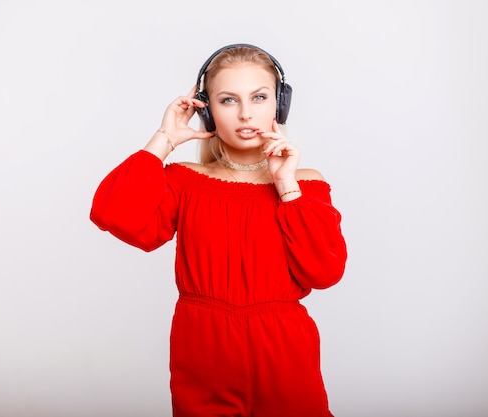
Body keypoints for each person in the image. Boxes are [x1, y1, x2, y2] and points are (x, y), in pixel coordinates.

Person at [90, 43, 348, 417]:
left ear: (279, 104)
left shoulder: (304, 185)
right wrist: (163, 140)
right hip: (203, 351)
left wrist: (286, 184)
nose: (246, 114)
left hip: (284, 351)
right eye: (228, 100)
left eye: (259, 97)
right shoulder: (184, 180)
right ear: (207, 112)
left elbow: (324, 272)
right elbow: (114, 215)